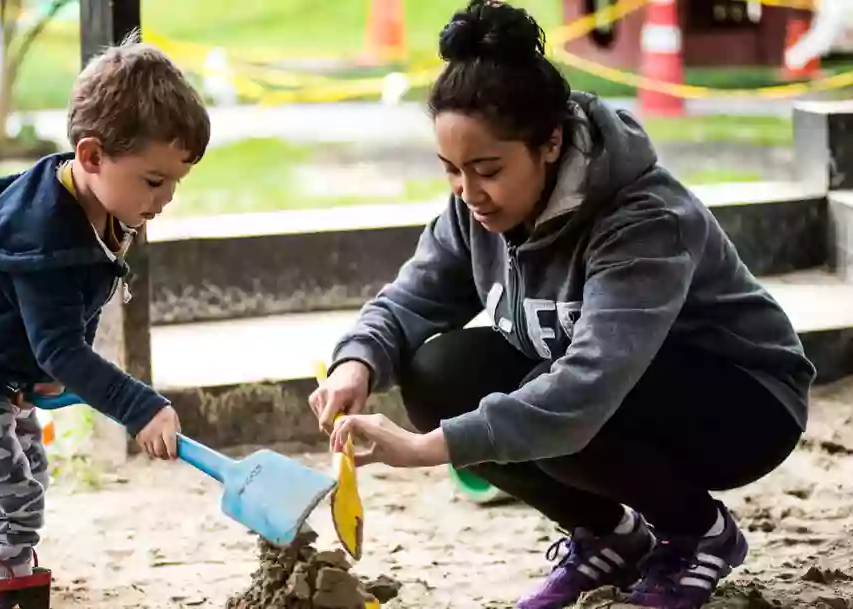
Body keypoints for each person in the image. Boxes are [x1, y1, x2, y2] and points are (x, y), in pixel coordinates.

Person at [307, 3, 814, 609]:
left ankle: (698, 535)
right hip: (602, 391)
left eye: (487, 169)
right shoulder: (478, 211)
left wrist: (429, 449)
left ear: (550, 143)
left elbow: (588, 386)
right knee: (436, 372)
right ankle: (609, 536)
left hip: (744, 404)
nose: (469, 194)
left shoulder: (641, 219)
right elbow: (409, 301)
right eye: (451, 172)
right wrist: (356, 362)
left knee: (565, 403)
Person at [0, 36, 210, 609]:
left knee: (25, 476)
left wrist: (38, 370)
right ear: (91, 156)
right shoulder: (42, 239)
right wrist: (139, 407)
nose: (165, 199)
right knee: (11, 490)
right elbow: (60, 344)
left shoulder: (95, 205)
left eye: (175, 182)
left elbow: (64, 316)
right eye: (154, 180)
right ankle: (3, 589)